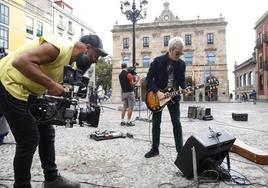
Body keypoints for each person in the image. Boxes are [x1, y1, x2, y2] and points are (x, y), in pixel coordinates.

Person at [0, 34, 108, 188]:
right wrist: (51, 84)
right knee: (28, 139)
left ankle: (52, 180)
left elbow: (47, 78)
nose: (96, 60)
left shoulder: (71, 64)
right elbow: (20, 62)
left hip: (29, 91)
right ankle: (22, 185)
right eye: (96, 55)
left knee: (46, 130)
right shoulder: (58, 48)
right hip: (8, 82)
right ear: (87, 48)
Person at [144, 37, 189, 158]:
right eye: (177, 52)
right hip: (158, 97)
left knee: (177, 123)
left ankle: (180, 151)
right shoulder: (158, 61)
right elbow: (148, 79)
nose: (179, 55)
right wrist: (157, 91)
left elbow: (182, 80)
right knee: (156, 123)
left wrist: (185, 88)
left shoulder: (181, 64)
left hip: (174, 97)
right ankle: (155, 149)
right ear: (171, 49)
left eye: (181, 53)